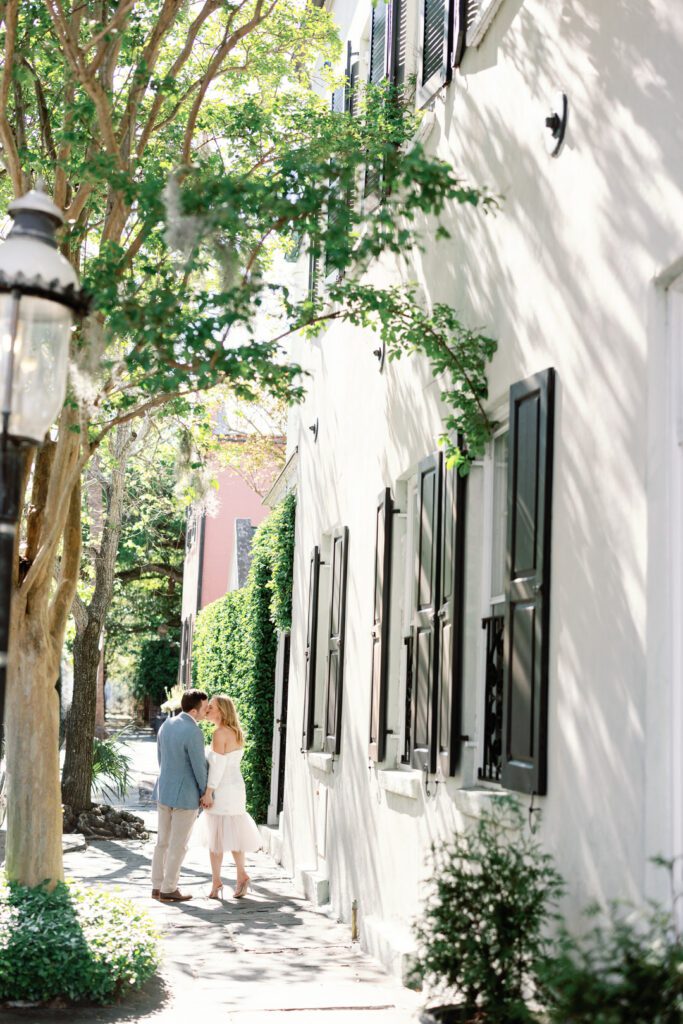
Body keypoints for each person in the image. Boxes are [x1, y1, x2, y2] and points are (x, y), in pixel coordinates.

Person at [193, 694, 262, 899]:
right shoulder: (236, 732)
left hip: (222, 789)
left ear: (221, 711)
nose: (207, 710)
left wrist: (208, 792)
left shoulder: (219, 733)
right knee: (234, 834)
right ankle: (241, 875)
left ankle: (216, 883)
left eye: (211, 708)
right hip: (237, 787)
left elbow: (217, 767)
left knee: (216, 838)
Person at [151, 688, 209, 902]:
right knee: (178, 844)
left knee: (162, 842)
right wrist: (205, 792)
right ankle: (169, 888)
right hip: (185, 796)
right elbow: (199, 767)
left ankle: (157, 887)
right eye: (205, 708)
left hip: (164, 790)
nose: (206, 711)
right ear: (194, 711)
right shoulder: (194, 731)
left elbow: (160, 758)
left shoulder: (167, 724)